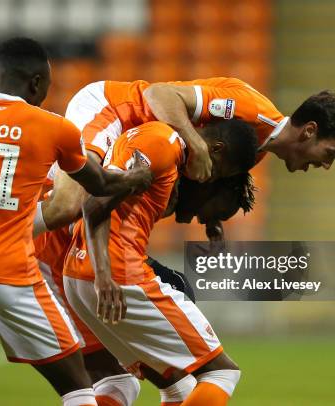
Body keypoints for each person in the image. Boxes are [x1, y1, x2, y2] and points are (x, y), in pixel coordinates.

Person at [0, 37, 152, 406]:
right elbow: (99, 185)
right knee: (79, 389)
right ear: (38, 83)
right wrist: (137, 178)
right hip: (9, 274)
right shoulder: (52, 127)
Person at [63, 118, 259, 406]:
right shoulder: (161, 141)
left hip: (79, 275)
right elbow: (95, 204)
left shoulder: (161, 145)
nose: (207, 177)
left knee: (172, 387)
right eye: (216, 171)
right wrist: (105, 276)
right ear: (215, 149)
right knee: (221, 373)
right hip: (118, 275)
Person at [38, 77, 335, 240]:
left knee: (77, 223)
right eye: (330, 154)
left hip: (133, 148)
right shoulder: (250, 109)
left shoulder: (255, 151)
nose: (326, 165)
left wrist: (212, 221)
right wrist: (197, 144)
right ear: (309, 131)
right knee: (68, 205)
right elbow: (158, 94)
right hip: (114, 111)